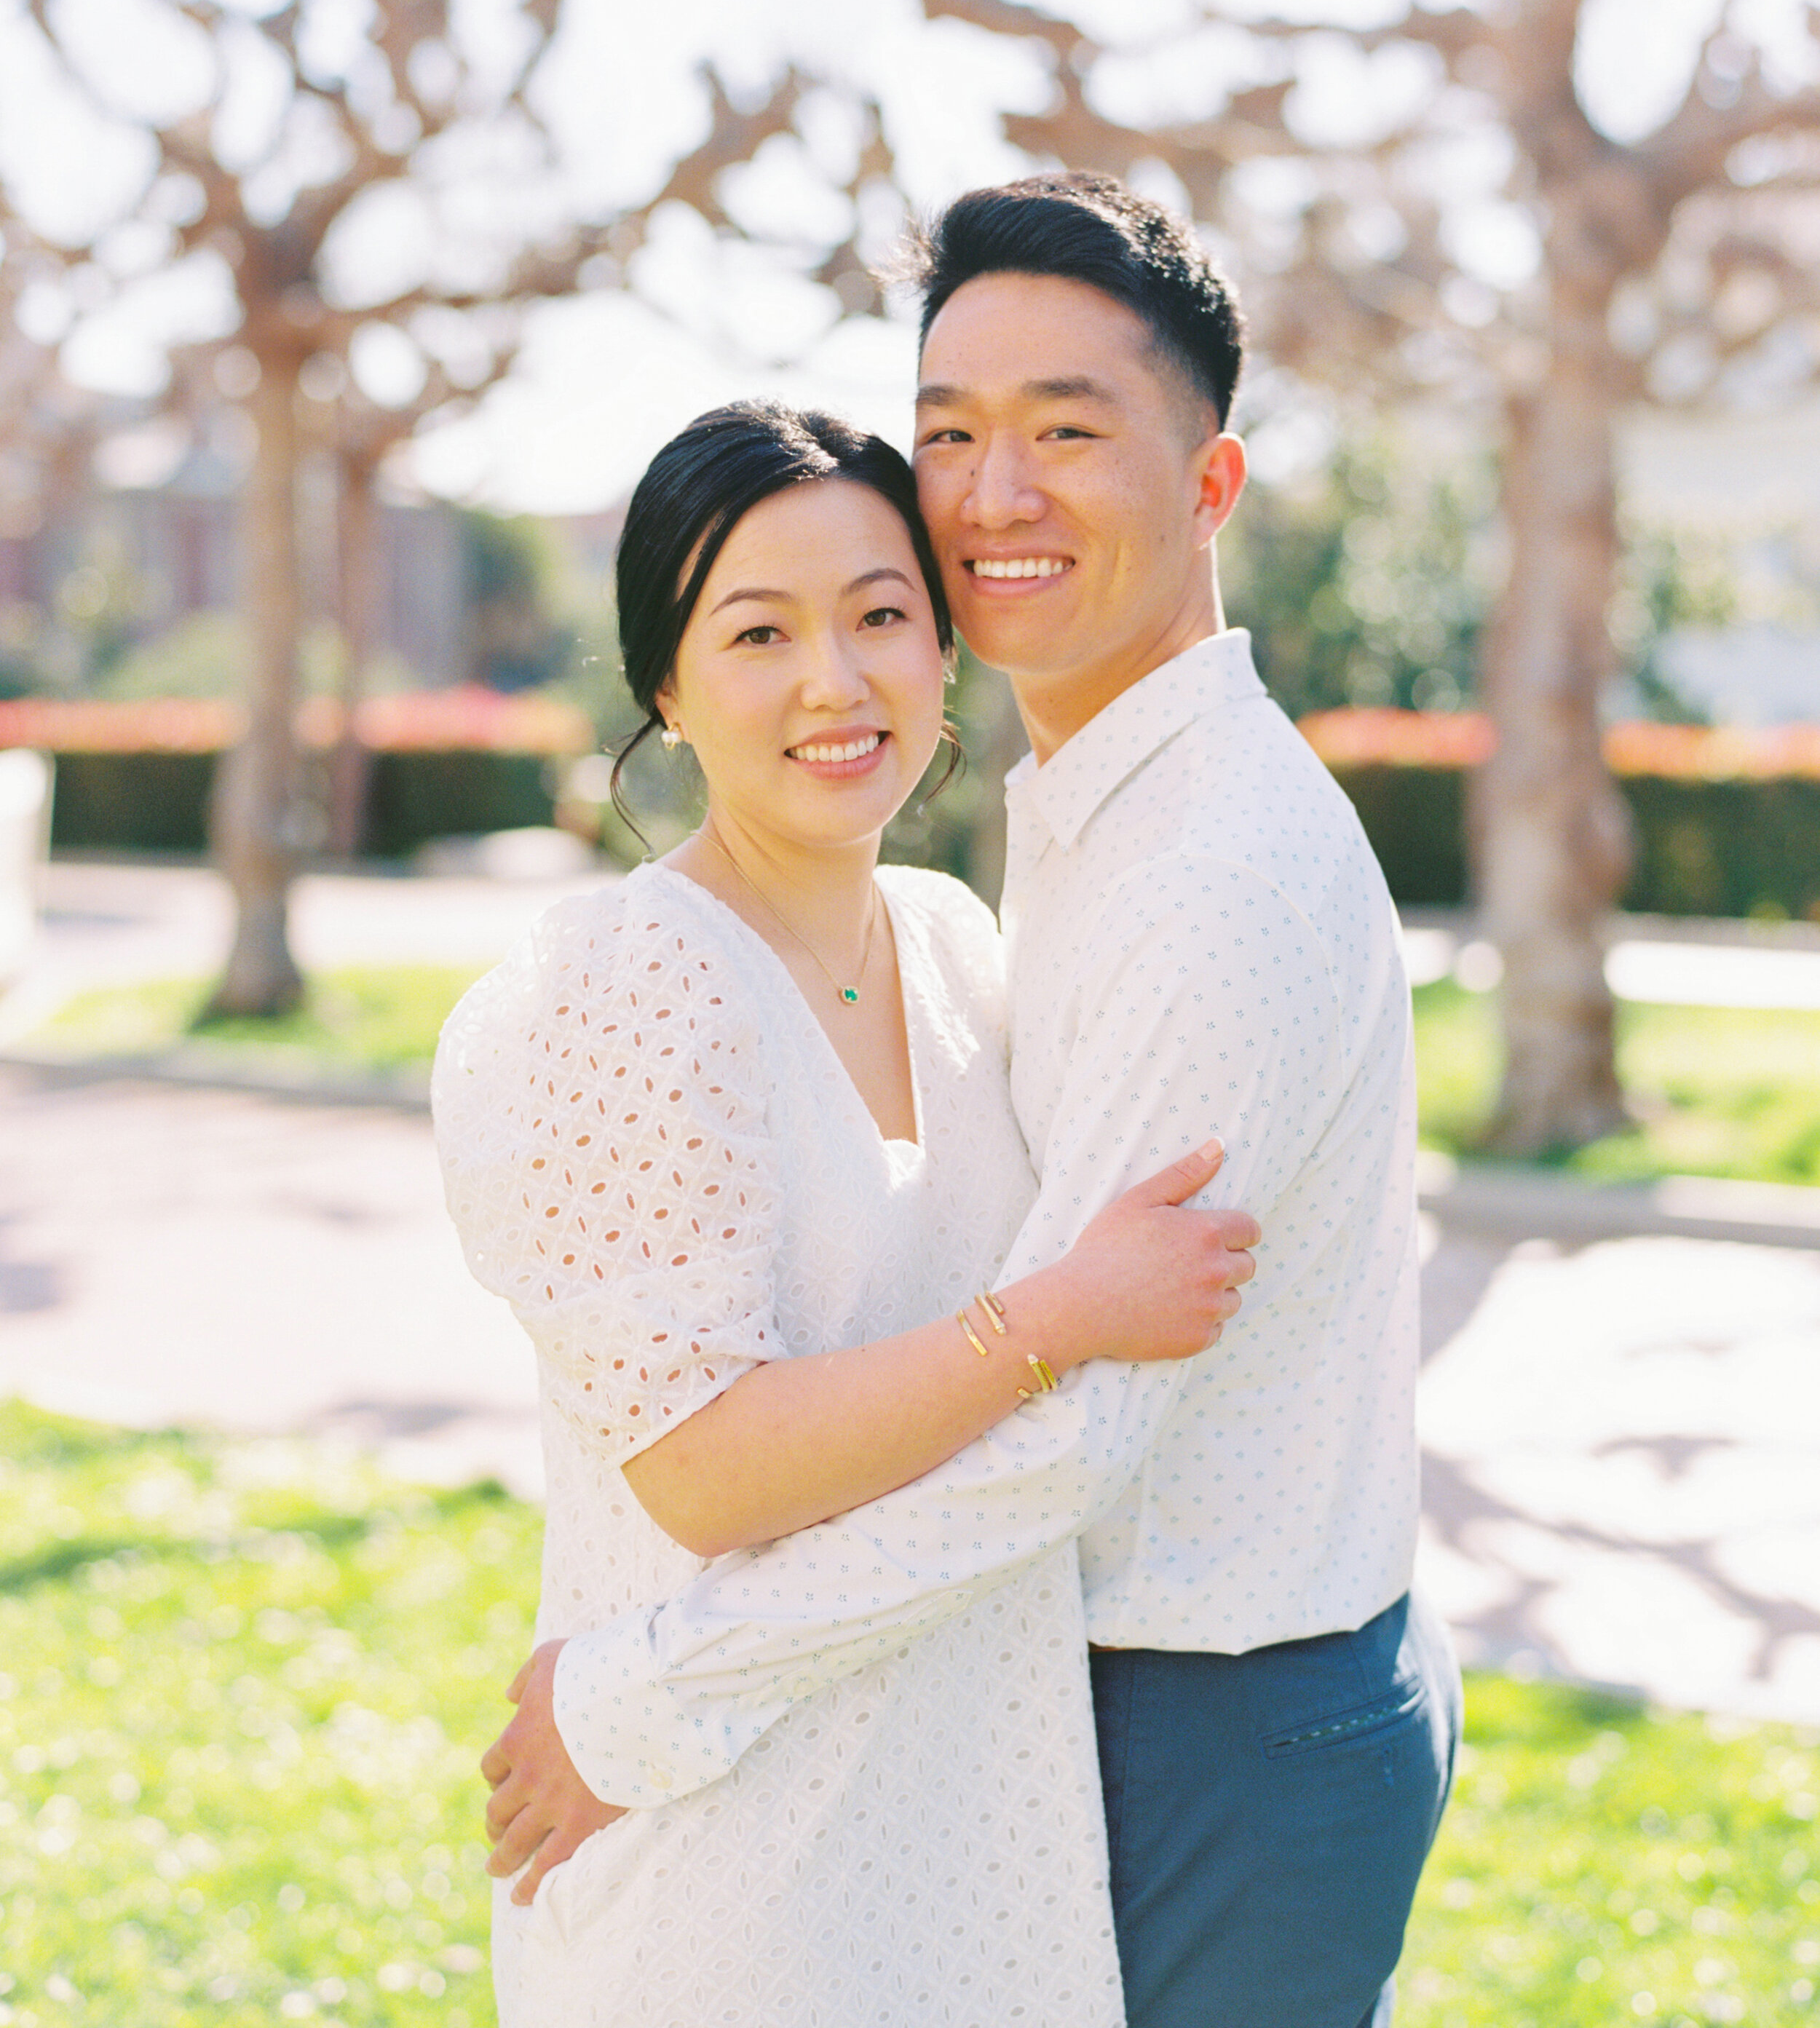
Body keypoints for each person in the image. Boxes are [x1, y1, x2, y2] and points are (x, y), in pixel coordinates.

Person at [486, 175, 1463, 2028]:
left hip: (1217, 1711)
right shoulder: (1068, 821)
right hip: (1085, 1701)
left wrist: (638, 1701)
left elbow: (1078, 1434)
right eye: (950, 435)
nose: (992, 496)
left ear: (1209, 486)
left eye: (1066, 433)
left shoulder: (1205, 870)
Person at [433, 396, 1259, 2027]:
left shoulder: (955, 941)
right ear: (664, 686)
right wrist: (1059, 1319)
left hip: (980, 1843)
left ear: (941, 648)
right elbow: (710, 1468)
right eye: (757, 632)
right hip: (721, 1883)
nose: (836, 679)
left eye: (882, 615)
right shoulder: (616, 989)